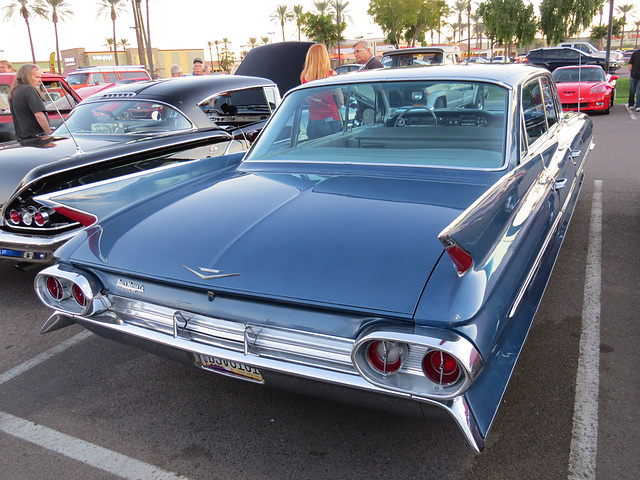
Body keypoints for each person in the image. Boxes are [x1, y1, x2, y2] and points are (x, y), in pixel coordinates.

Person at [300, 43, 344, 139]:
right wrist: (338, 106)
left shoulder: (304, 76)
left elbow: (307, 99)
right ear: (325, 57)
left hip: (313, 120)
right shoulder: (332, 74)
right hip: (331, 118)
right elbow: (340, 101)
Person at [8, 64, 52, 140]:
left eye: (40, 77)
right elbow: (39, 115)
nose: (39, 80)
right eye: (36, 77)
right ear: (27, 76)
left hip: (23, 137)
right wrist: (49, 134)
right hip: (36, 136)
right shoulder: (29, 90)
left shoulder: (15, 91)